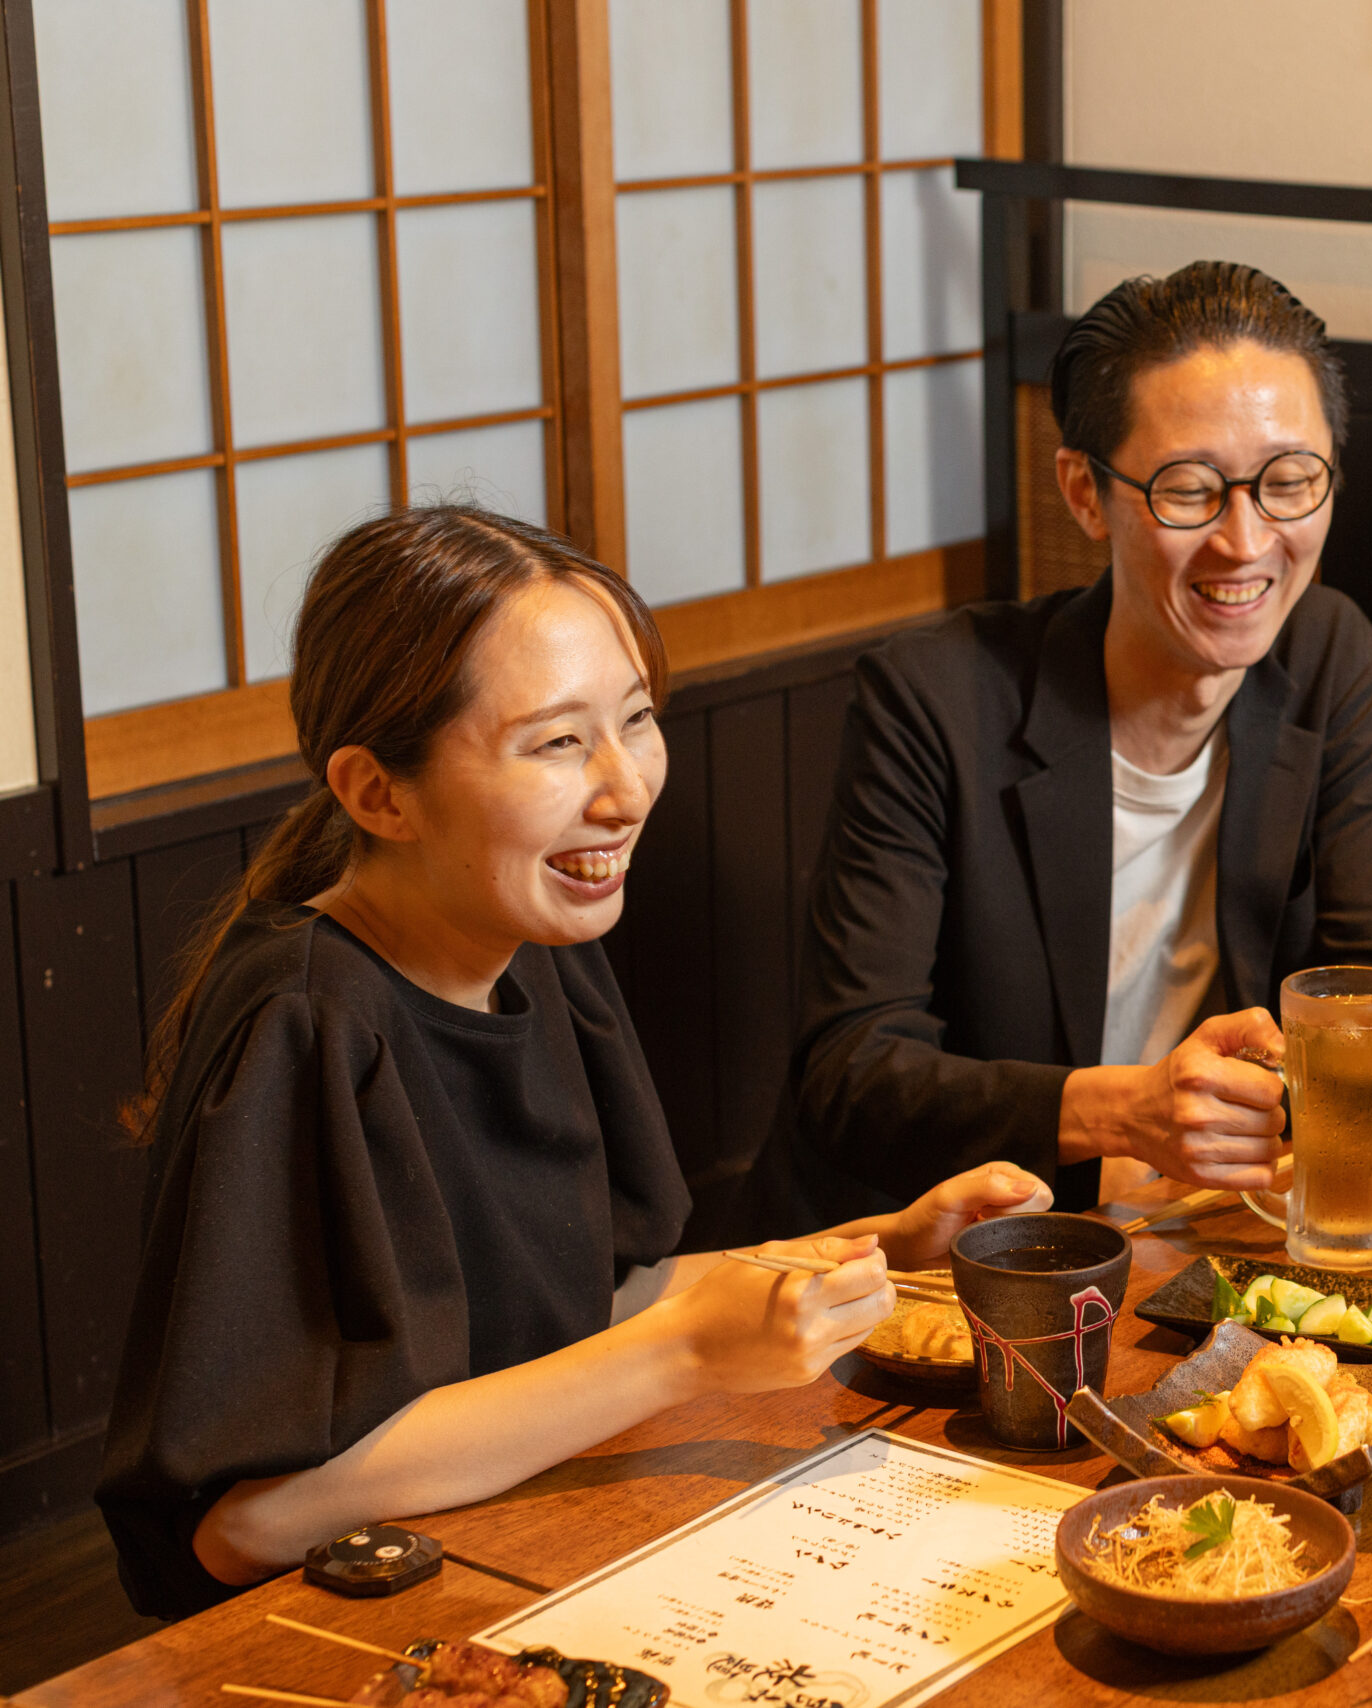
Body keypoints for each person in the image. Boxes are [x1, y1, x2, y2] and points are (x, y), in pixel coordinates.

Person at [97, 507, 1044, 1619]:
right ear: (374, 792)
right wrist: (681, 1354)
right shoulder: (305, 1023)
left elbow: (588, 1300)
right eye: (554, 742)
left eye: (636, 721)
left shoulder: (534, 944)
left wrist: (865, 1248)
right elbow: (243, 1523)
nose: (626, 789)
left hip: (529, 1553)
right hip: (345, 1625)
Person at [754, 261, 1372, 1227]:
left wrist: (1223, 1124)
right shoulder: (936, 699)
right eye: (1189, 490)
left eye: (1290, 482)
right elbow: (854, 1072)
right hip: (932, 1267)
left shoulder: (1325, 653)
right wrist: (1123, 1114)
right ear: (1085, 493)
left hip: (1194, 1234)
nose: (1247, 540)